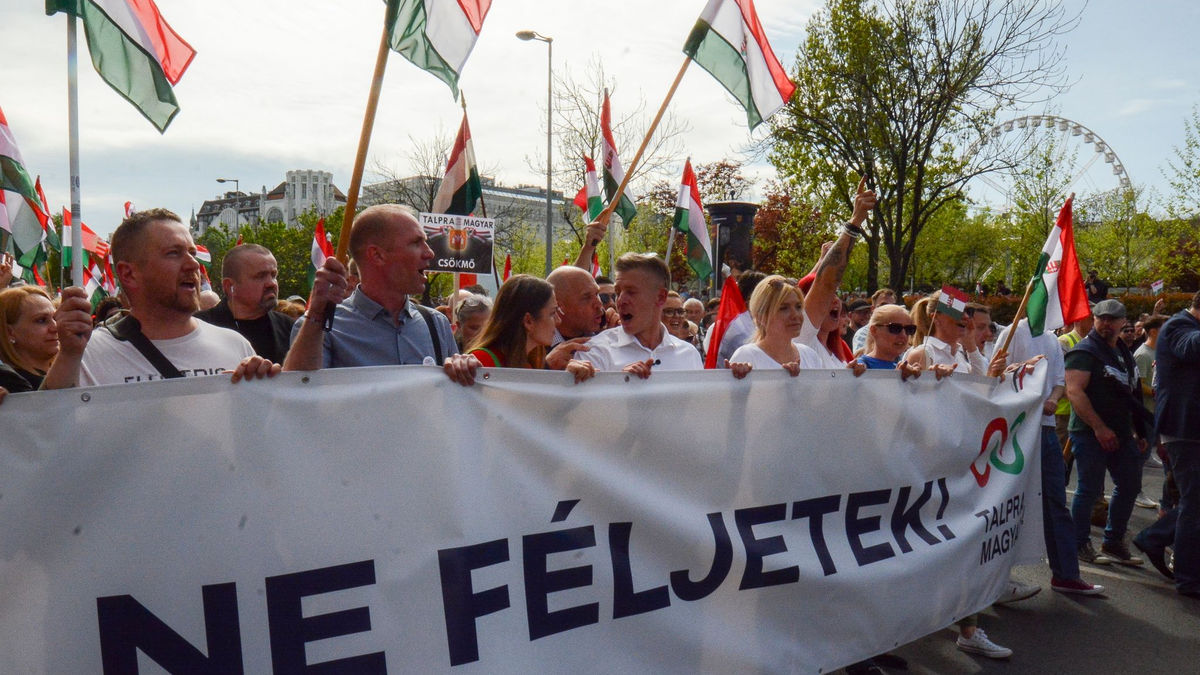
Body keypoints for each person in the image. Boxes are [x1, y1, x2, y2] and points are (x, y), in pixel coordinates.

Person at [41, 208, 279, 389]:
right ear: (129, 274)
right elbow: (47, 429)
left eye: (192, 253)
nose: (193, 264)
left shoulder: (235, 345)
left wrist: (262, 387)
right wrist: (69, 356)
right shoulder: (89, 355)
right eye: (173, 253)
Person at [283, 204, 478, 385]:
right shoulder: (324, 328)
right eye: (416, 243)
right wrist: (317, 314)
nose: (430, 253)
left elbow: (453, 401)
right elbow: (299, 393)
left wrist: (464, 371)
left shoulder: (436, 324)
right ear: (377, 255)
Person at [991, 318, 1105, 596]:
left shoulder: (1052, 339)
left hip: (1045, 431)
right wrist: (1019, 371)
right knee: (1003, 504)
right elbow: (994, 377)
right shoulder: (1013, 332)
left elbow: (1058, 381)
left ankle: (1066, 575)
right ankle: (994, 579)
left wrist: (1053, 399)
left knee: (1055, 500)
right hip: (1015, 428)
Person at [1065, 299, 1150, 567]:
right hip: (1089, 432)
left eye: (1112, 319)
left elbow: (1132, 392)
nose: (1106, 323)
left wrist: (1140, 430)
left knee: (1130, 484)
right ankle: (1079, 543)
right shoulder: (1085, 351)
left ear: (1123, 321)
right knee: (1089, 489)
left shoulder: (1123, 351)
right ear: (1094, 319)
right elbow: (1074, 391)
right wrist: (1099, 427)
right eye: (1101, 318)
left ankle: (1113, 541)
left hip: (1122, 432)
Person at [1135, 292, 1200, 598]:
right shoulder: (1178, 326)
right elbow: (1192, 347)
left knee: (1194, 501)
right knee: (1194, 502)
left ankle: (1155, 537)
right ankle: (1187, 578)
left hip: (1191, 428)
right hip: (1184, 429)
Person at [574, 253, 702, 377]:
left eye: (631, 292)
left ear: (660, 297)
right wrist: (619, 382)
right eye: (618, 293)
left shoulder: (689, 355)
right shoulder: (594, 352)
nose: (620, 301)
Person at [796, 180, 875, 369]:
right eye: (827, 297)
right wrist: (855, 222)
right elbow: (826, 283)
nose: (836, 301)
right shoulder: (802, 339)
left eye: (836, 295)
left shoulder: (840, 351)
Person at [196, 244, 295, 364]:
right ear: (230, 286)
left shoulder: (290, 328)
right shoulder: (199, 328)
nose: (271, 283)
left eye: (273, 275)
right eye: (260, 276)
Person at [727, 275, 816, 377]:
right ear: (761, 317)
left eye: (798, 307)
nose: (795, 315)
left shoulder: (810, 356)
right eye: (784, 308)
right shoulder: (746, 356)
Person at [466, 275, 557, 369]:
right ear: (528, 321)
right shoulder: (481, 361)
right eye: (552, 313)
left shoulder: (531, 362)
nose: (558, 321)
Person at [905, 292, 987, 375]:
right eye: (957, 311)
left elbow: (980, 381)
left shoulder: (959, 356)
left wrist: (970, 343)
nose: (966, 316)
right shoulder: (922, 354)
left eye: (968, 311)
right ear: (936, 317)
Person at [0, 286, 60, 390]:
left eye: (56, 318)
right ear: (9, 332)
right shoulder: (10, 382)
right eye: (41, 320)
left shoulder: (75, 369)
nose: (55, 327)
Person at [545, 265, 604, 369]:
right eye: (586, 297)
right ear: (558, 306)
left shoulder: (606, 339)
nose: (599, 304)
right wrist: (546, 367)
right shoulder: (533, 346)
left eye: (597, 294)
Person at [851, 288, 897, 353]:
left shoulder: (901, 332)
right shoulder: (863, 334)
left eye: (893, 306)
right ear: (873, 309)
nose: (889, 309)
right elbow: (860, 357)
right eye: (883, 305)